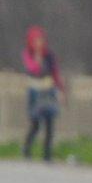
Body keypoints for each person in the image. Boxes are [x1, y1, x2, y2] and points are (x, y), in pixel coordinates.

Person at [20, 26, 64, 163]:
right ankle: (27, 147)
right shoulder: (28, 54)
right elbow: (33, 68)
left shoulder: (49, 55)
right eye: (37, 40)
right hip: (35, 90)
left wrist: (60, 89)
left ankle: (47, 153)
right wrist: (38, 59)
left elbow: (55, 72)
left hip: (48, 89)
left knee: (50, 122)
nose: (40, 43)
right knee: (35, 124)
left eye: (42, 40)